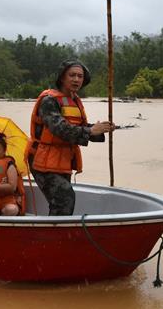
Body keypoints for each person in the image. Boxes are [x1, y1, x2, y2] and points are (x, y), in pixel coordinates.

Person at [27, 60, 113, 216]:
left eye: (80, 76)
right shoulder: (49, 101)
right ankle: (55, 236)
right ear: (62, 78)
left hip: (62, 159)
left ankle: (55, 233)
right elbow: (60, 129)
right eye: (72, 75)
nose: (76, 79)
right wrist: (91, 131)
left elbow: (82, 126)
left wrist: (101, 129)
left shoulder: (74, 100)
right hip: (41, 159)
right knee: (64, 198)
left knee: (61, 200)